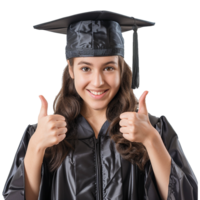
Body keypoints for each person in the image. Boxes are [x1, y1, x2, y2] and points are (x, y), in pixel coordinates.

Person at [1, 10, 200, 200]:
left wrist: (151, 140)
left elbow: (186, 197)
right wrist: (36, 145)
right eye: (85, 68)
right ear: (71, 69)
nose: (97, 82)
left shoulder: (154, 129)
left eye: (109, 68)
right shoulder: (44, 134)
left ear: (122, 69)